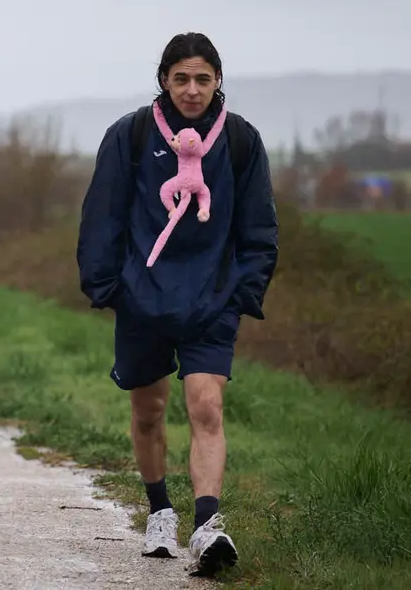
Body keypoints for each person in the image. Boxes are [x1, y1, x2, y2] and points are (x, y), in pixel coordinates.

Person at [75, 32, 278, 576]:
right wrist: (108, 288)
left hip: (213, 301)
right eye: (182, 78)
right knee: (149, 410)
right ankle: (160, 510)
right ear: (164, 80)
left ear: (218, 82)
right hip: (143, 300)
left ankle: (208, 525)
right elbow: (103, 216)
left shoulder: (241, 140)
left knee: (206, 406)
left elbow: (259, 227)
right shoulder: (132, 134)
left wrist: (243, 294)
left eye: (203, 79)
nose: (192, 90)